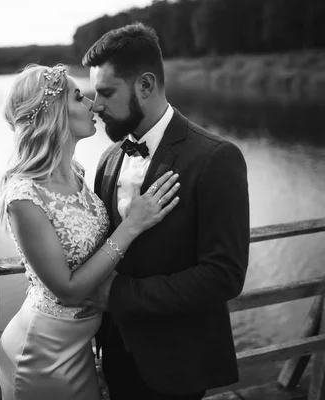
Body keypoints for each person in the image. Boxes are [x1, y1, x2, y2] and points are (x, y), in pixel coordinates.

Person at [79, 23, 251, 400]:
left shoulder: (216, 158)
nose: (95, 105)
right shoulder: (108, 160)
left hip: (177, 363)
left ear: (145, 85)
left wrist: (121, 296)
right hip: (114, 353)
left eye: (106, 92)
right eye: (93, 93)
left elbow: (224, 275)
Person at [0, 63, 181, 400]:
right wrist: (133, 224)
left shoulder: (77, 172)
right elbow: (68, 290)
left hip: (82, 343)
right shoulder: (24, 197)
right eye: (78, 97)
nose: (93, 104)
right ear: (54, 113)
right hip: (44, 351)